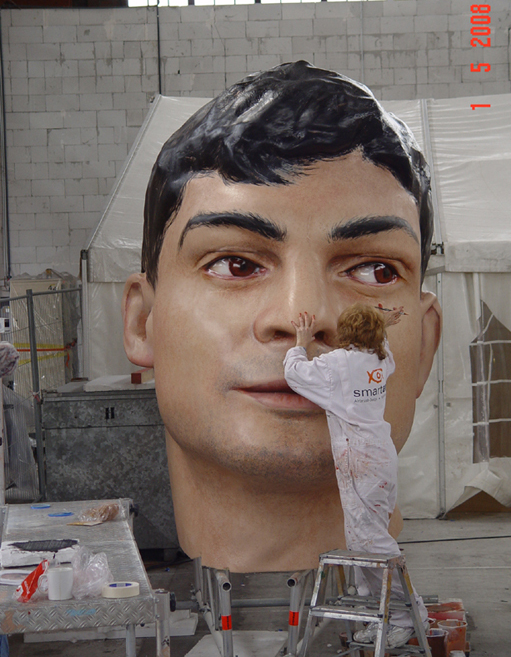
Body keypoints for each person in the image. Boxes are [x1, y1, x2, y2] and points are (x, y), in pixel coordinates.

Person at [122, 60, 442, 572]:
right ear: (143, 322)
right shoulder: (365, 369)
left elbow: (305, 372)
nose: (300, 315)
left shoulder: (340, 371)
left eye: (375, 270)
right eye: (235, 264)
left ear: (426, 344)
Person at [284, 306, 427, 648]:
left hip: (360, 459)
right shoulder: (380, 359)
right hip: (379, 456)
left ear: (345, 331)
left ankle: (409, 615)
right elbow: (379, 344)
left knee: (370, 542)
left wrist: (301, 342)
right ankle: (381, 615)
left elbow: (294, 373)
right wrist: (383, 325)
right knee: (363, 538)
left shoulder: (339, 364)